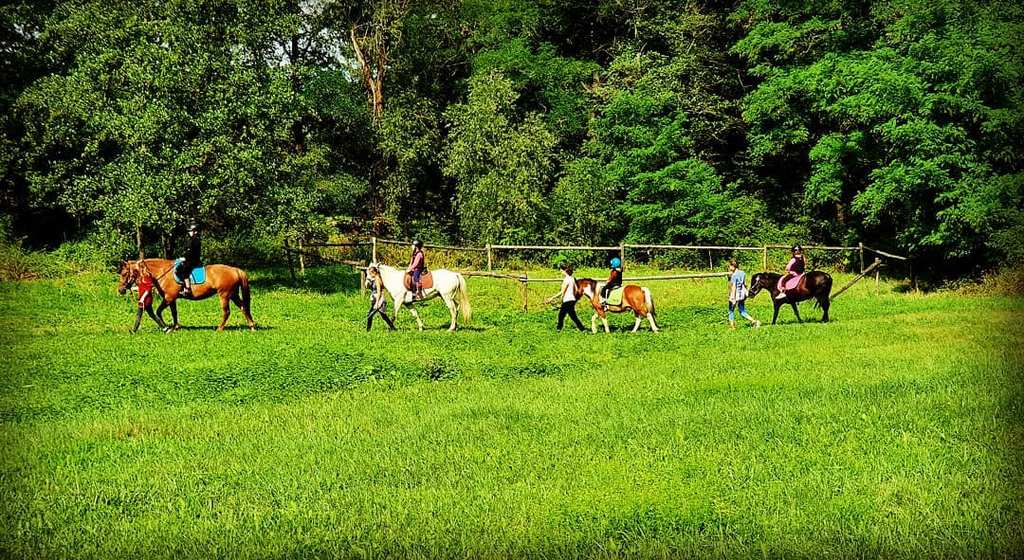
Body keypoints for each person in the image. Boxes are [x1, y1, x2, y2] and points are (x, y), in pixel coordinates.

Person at [544, 263, 587, 332]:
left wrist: (552, 298)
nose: (560, 271)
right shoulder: (573, 279)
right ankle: (582, 329)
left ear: (565, 271)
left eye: (561, 270)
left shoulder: (566, 280)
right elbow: (576, 289)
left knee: (561, 315)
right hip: (572, 300)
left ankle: (559, 329)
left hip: (567, 300)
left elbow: (562, 292)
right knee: (572, 316)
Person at [131, 262, 163, 333]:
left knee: (139, 315)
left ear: (141, 267)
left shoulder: (147, 276)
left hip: (146, 299)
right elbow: (142, 286)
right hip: (143, 299)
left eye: (137, 267)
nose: (136, 269)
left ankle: (134, 330)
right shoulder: (141, 276)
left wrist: (142, 298)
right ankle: (164, 327)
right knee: (152, 315)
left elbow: (148, 289)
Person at [727, 259, 760, 329]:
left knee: (731, 311)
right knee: (742, 310)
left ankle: (733, 328)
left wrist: (732, 297)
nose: (729, 268)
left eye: (729, 266)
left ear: (733, 266)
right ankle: (754, 321)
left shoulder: (734, 276)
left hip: (735, 295)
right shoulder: (743, 273)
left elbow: (734, 287)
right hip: (742, 295)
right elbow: (744, 284)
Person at [366, 266, 396, 331]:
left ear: (374, 272)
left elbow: (379, 292)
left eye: (370, 273)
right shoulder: (377, 278)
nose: (370, 275)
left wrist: (377, 303)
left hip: (379, 300)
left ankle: (368, 331)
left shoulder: (377, 279)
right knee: (383, 316)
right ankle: (393, 328)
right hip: (376, 299)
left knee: (370, 315)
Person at [176, 223, 201, 296]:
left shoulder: (196, 240)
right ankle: (182, 286)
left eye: (191, 231)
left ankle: (188, 289)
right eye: (189, 231)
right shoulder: (191, 240)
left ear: (195, 232)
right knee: (178, 268)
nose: (189, 232)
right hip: (189, 260)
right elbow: (187, 251)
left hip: (194, 261)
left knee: (185, 271)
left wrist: (185, 258)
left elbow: (192, 253)